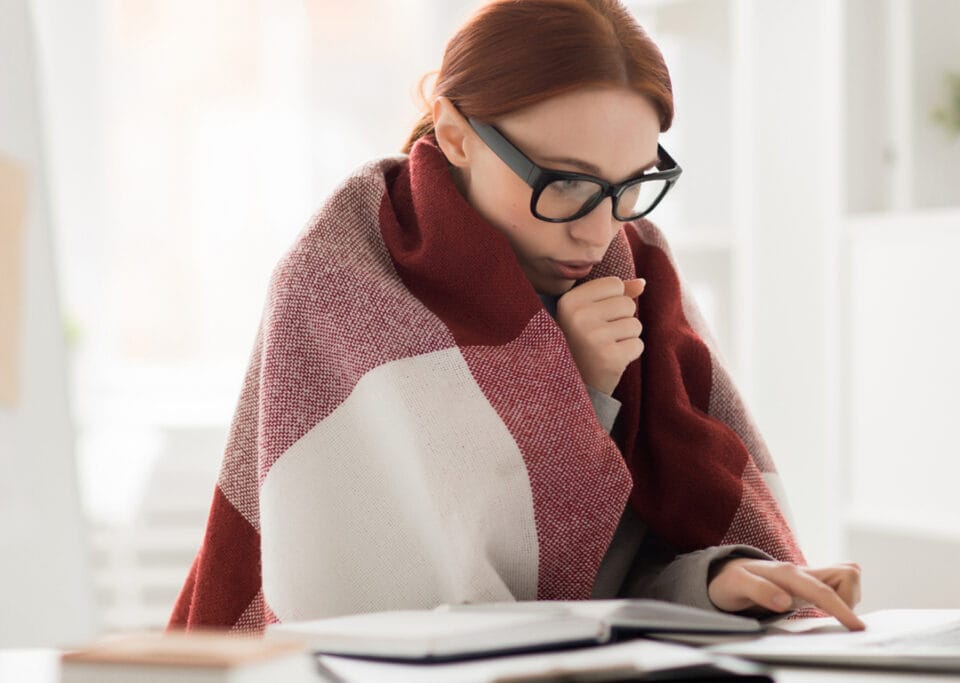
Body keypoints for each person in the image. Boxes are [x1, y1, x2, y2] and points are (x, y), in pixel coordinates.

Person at [169, 0, 863, 634]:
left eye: (631, 185)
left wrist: (717, 582)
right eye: (565, 181)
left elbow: (602, 578)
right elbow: (432, 606)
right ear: (457, 134)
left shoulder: (637, 267)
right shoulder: (340, 282)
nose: (597, 233)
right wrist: (574, 382)